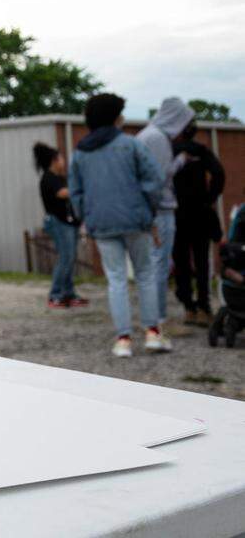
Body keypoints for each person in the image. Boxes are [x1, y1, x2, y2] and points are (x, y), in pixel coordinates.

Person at [69, 93, 165, 357]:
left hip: (100, 222)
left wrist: (85, 216)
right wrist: (149, 208)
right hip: (136, 220)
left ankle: (123, 339)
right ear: (114, 117)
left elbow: (75, 192)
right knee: (145, 274)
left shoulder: (80, 152)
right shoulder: (130, 144)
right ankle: (153, 333)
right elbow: (155, 179)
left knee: (116, 280)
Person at [136, 97, 196, 330]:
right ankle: (159, 319)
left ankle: (152, 317)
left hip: (148, 209)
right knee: (160, 265)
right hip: (160, 210)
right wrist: (180, 161)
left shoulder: (144, 134)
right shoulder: (158, 139)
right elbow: (160, 177)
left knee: (151, 265)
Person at [172, 122, 226, 324]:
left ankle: (188, 306)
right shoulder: (202, 151)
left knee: (181, 261)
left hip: (177, 212)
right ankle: (204, 305)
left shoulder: (171, 151)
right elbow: (219, 174)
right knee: (202, 260)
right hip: (200, 211)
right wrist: (209, 197)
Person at [32, 143, 86, 309]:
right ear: (54, 160)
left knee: (69, 258)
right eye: (61, 158)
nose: (63, 161)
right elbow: (63, 193)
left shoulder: (60, 178)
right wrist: (81, 188)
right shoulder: (49, 178)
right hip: (58, 223)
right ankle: (55, 295)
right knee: (65, 258)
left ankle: (68, 294)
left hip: (69, 222)